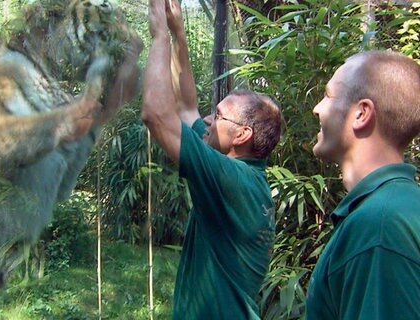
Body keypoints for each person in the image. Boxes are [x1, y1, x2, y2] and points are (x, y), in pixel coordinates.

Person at [142, 0, 282, 318]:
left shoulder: (232, 180)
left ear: (242, 135)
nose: (207, 119)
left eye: (218, 116)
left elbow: (156, 115)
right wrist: (179, 33)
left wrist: (159, 36)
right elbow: (186, 108)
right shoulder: (243, 175)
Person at [306, 50, 420, 319]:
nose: (317, 108)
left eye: (328, 96)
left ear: (361, 113)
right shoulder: (398, 207)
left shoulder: (379, 227)